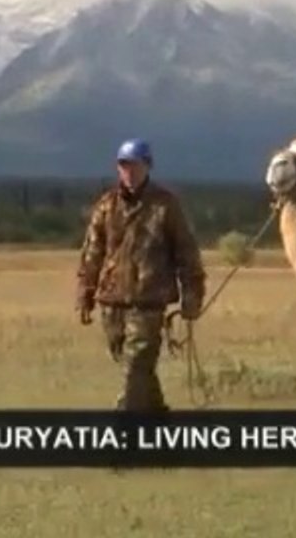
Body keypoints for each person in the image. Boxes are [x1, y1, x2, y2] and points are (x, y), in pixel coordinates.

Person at [75, 138, 206, 412]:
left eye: (135, 165)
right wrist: (85, 294)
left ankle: (124, 436)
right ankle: (158, 422)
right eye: (124, 166)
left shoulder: (166, 205)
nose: (130, 172)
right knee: (135, 368)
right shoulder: (106, 205)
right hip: (111, 301)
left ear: (148, 166)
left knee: (135, 369)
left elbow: (187, 252)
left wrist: (192, 296)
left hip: (149, 301)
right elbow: (92, 252)